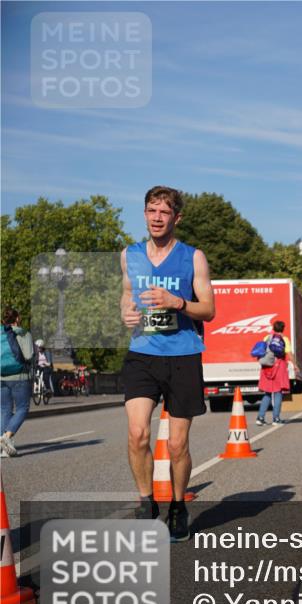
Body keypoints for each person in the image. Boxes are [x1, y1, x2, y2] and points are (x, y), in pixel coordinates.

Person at [120, 186, 216, 542]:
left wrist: (177, 301)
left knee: (177, 445)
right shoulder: (129, 255)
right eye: (151, 211)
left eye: (164, 212)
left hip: (183, 355)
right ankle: (147, 503)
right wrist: (126, 313)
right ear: (144, 214)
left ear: (177, 218)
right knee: (137, 432)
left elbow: (208, 309)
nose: (157, 218)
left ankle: (178, 504)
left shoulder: (194, 258)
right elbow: (127, 295)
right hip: (143, 353)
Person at [1, 307, 34, 458]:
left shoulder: (1, 333)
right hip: (19, 377)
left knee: (4, 410)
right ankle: (6, 437)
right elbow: (28, 355)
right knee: (23, 407)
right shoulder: (23, 333)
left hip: (1, 377)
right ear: (17, 319)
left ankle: (3, 449)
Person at [255, 320, 295, 425]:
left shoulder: (266, 338)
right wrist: (295, 365)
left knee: (267, 393)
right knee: (278, 393)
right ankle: (276, 418)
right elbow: (289, 354)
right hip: (279, 367)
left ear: (273, 328)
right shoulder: (284, 339)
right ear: (283, 328)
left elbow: (261, 351)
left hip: (267, 367)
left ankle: (260, 417)